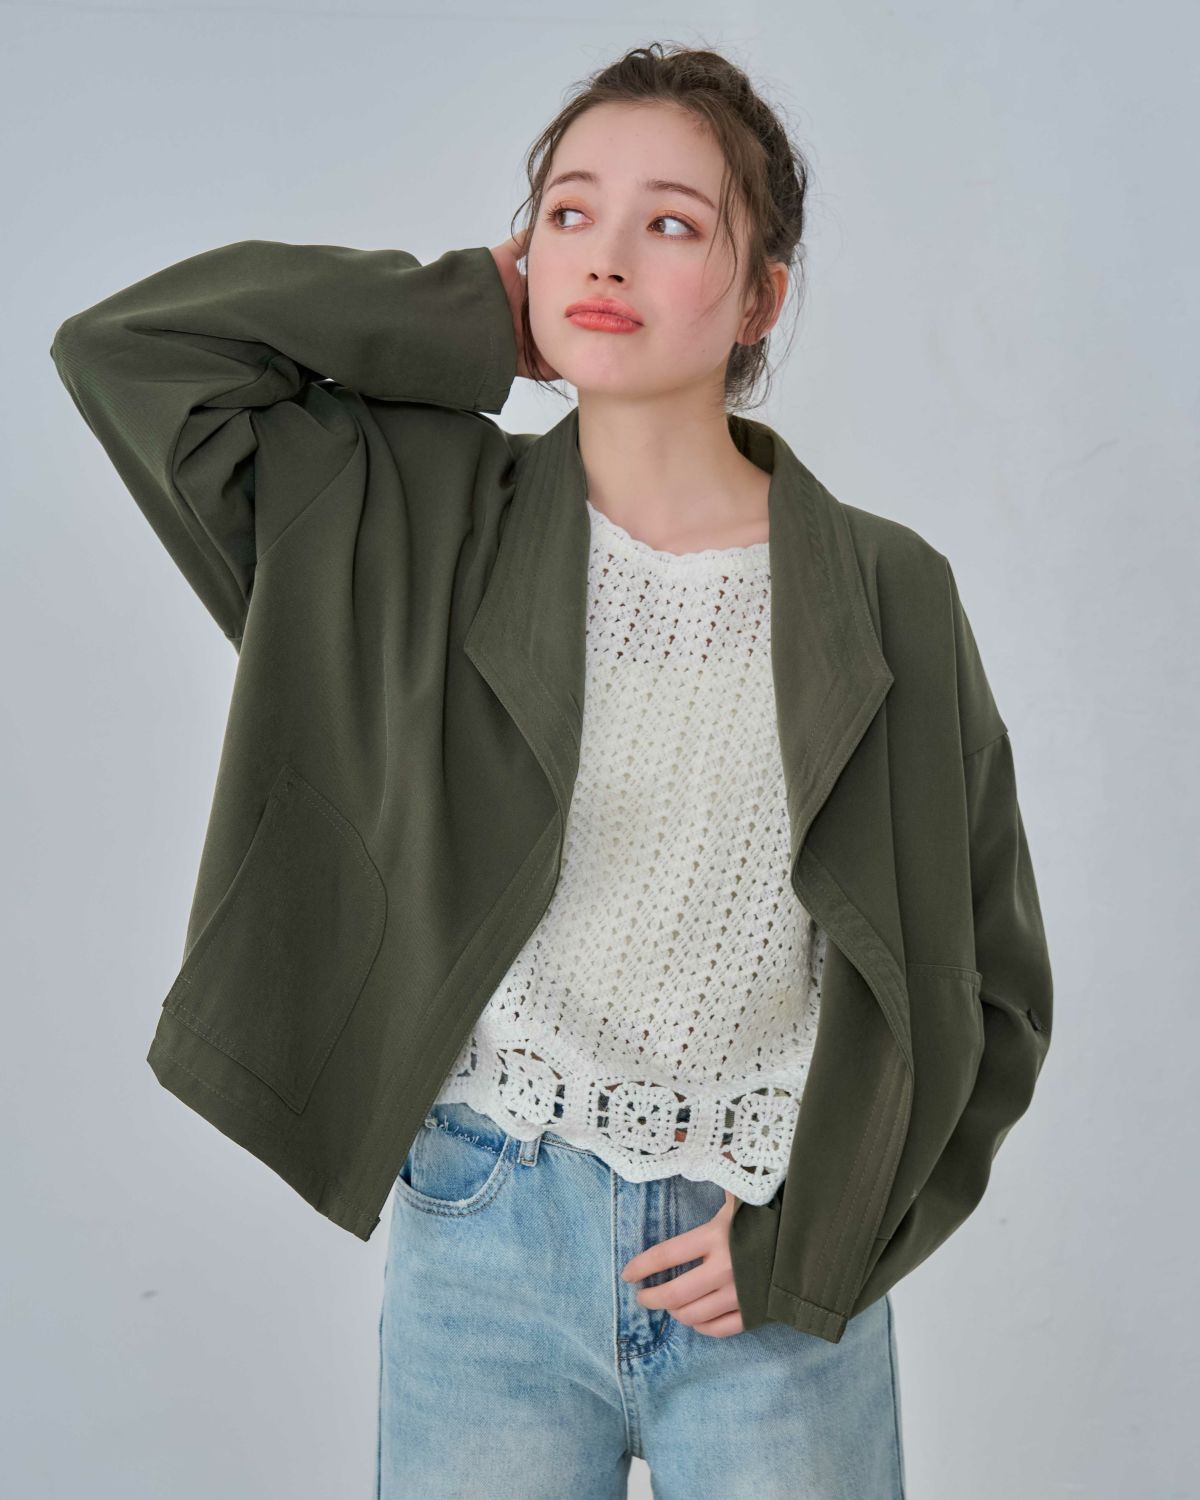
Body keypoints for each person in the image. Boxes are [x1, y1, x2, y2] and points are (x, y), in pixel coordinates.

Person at [50, 38, 1053, 1500]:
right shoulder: (408, 527)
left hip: (765, 1260)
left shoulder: (887, 591)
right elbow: (130, 354)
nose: (608, 256)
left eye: (673, 223)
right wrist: (473, 315)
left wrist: (823, 1238)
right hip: (487, 1231)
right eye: (570, 212)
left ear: (761, 297)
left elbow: (989, 988)